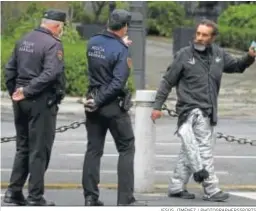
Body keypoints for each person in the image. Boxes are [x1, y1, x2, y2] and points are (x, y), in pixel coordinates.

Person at [151, 19, 256, 202]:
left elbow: (237, 66)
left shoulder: (219, 54)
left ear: (213, 37)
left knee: (189, 151)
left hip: (209, 111)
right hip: (191, 111)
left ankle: (176, 186)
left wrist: (250, 57)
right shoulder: (183, 55)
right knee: (204, 150)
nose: (199, 38)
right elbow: (167, 81)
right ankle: (211, 189)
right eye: (198, 33)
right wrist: (157, 106)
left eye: (204, 35)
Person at [3, 9, 66, 206]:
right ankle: (35, 196)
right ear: (57, 26)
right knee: (39, 150)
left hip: (20, 100)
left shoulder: (24, 39)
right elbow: (51, 73)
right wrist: (28, 91)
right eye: (62, 28)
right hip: (40, 101)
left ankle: (13, 192)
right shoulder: (53, 44)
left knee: (23, 147)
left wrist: (15, 91)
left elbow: (9, 69)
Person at [81, 9, 142, 206]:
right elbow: (117, 83)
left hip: (92, 100)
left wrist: (95, 101)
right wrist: (121, 47)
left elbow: (105, 52)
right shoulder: (121, 49)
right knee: (126, 147)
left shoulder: (93, 42)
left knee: (93, 150)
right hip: (111, 105)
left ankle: (90, 197)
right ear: (124, 27)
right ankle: (125, 199)